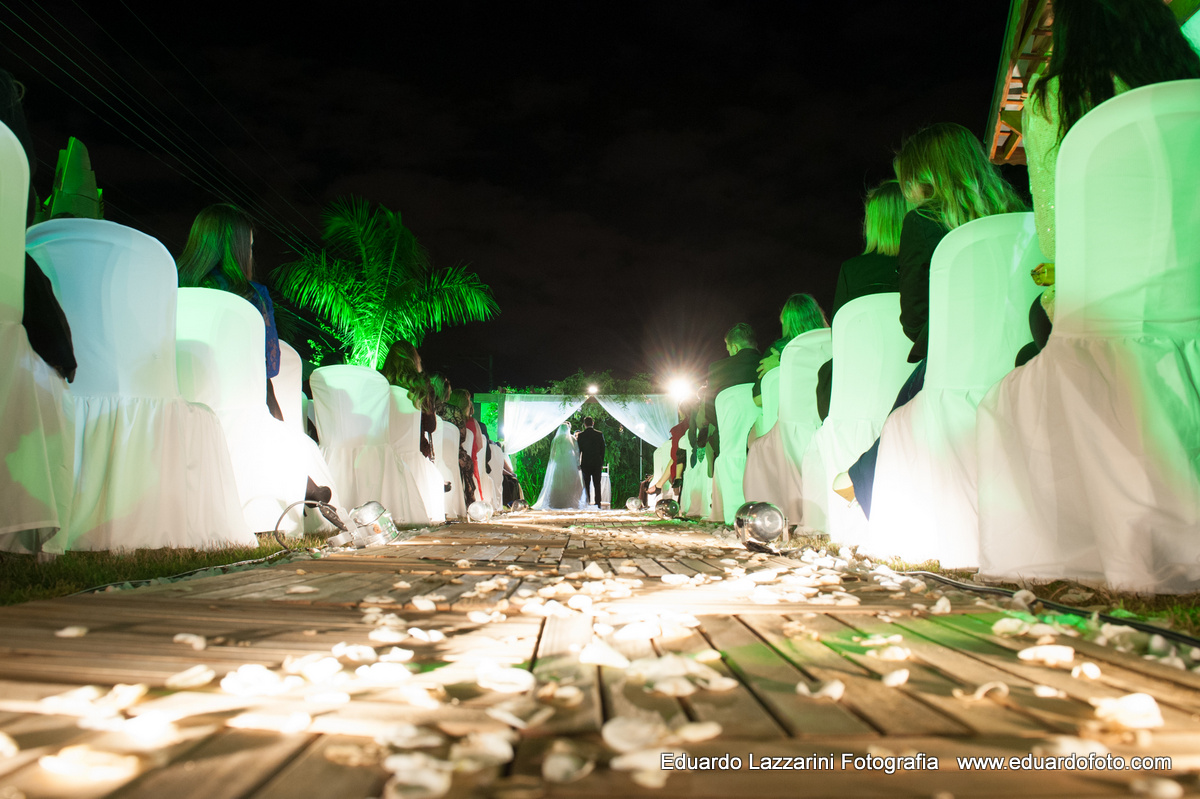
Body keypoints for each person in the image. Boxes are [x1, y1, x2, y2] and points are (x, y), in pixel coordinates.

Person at [839, 123, 1026, 516]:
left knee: (897, 420)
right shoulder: (1020, 216)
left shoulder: (923, 222)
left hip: (956, 363)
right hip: (1020, 354)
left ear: (923, 178)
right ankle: (857, 482)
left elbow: (915, 320)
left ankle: (865, 493)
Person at [1014, 0, 1200, 365]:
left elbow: (1054, 240)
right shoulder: (1188, 88)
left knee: (1036, 328)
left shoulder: (1053, 99)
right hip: (1192, 295)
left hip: (1114, 319)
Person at [176, 204, 284, 420]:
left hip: (178, 405)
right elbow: (270, 367)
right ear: (239, 252)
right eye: (249, 248)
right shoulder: (253, 295)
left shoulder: (170, 287)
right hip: (237, 410)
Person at [816, 180, 907, 419]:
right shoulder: (928, 262)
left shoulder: (851, 271)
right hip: (917, 376)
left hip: (865, 387)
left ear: (873, 223)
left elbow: (841, 339)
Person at [696, 322, 760, 474]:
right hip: (767, 440)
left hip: (730, 447)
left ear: (735, 347)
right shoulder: (769, 362)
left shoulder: (717, 369)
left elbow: (711, 414)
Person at [754, 293, 828, 408]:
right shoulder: (837, 341)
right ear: (818, 315)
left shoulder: (778, 351)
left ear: (786, 323)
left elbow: (758, 399)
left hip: (798, 417)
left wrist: (782, 363)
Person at [533, 423, 586, 510]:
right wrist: (577, 463)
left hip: (558, 463)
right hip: (570, 463)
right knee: (570, 482)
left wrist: (553, 463)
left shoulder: (556, 439)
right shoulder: (572, 439)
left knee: (558, 482)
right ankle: (570, 502)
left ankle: (557, 503)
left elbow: (552, 453)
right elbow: (576, 451)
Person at [575, 416, 606, 507]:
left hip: (586, 463)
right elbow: (602, 449)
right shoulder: (599, 434)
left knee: (586, 484)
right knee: (597, 484)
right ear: (593, 423)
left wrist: (578, 462)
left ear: (584, 424)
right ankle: (598, 503)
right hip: (597, 462)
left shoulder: (581, 435)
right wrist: (601, 462)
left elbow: (578, 450)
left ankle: (587, 503)